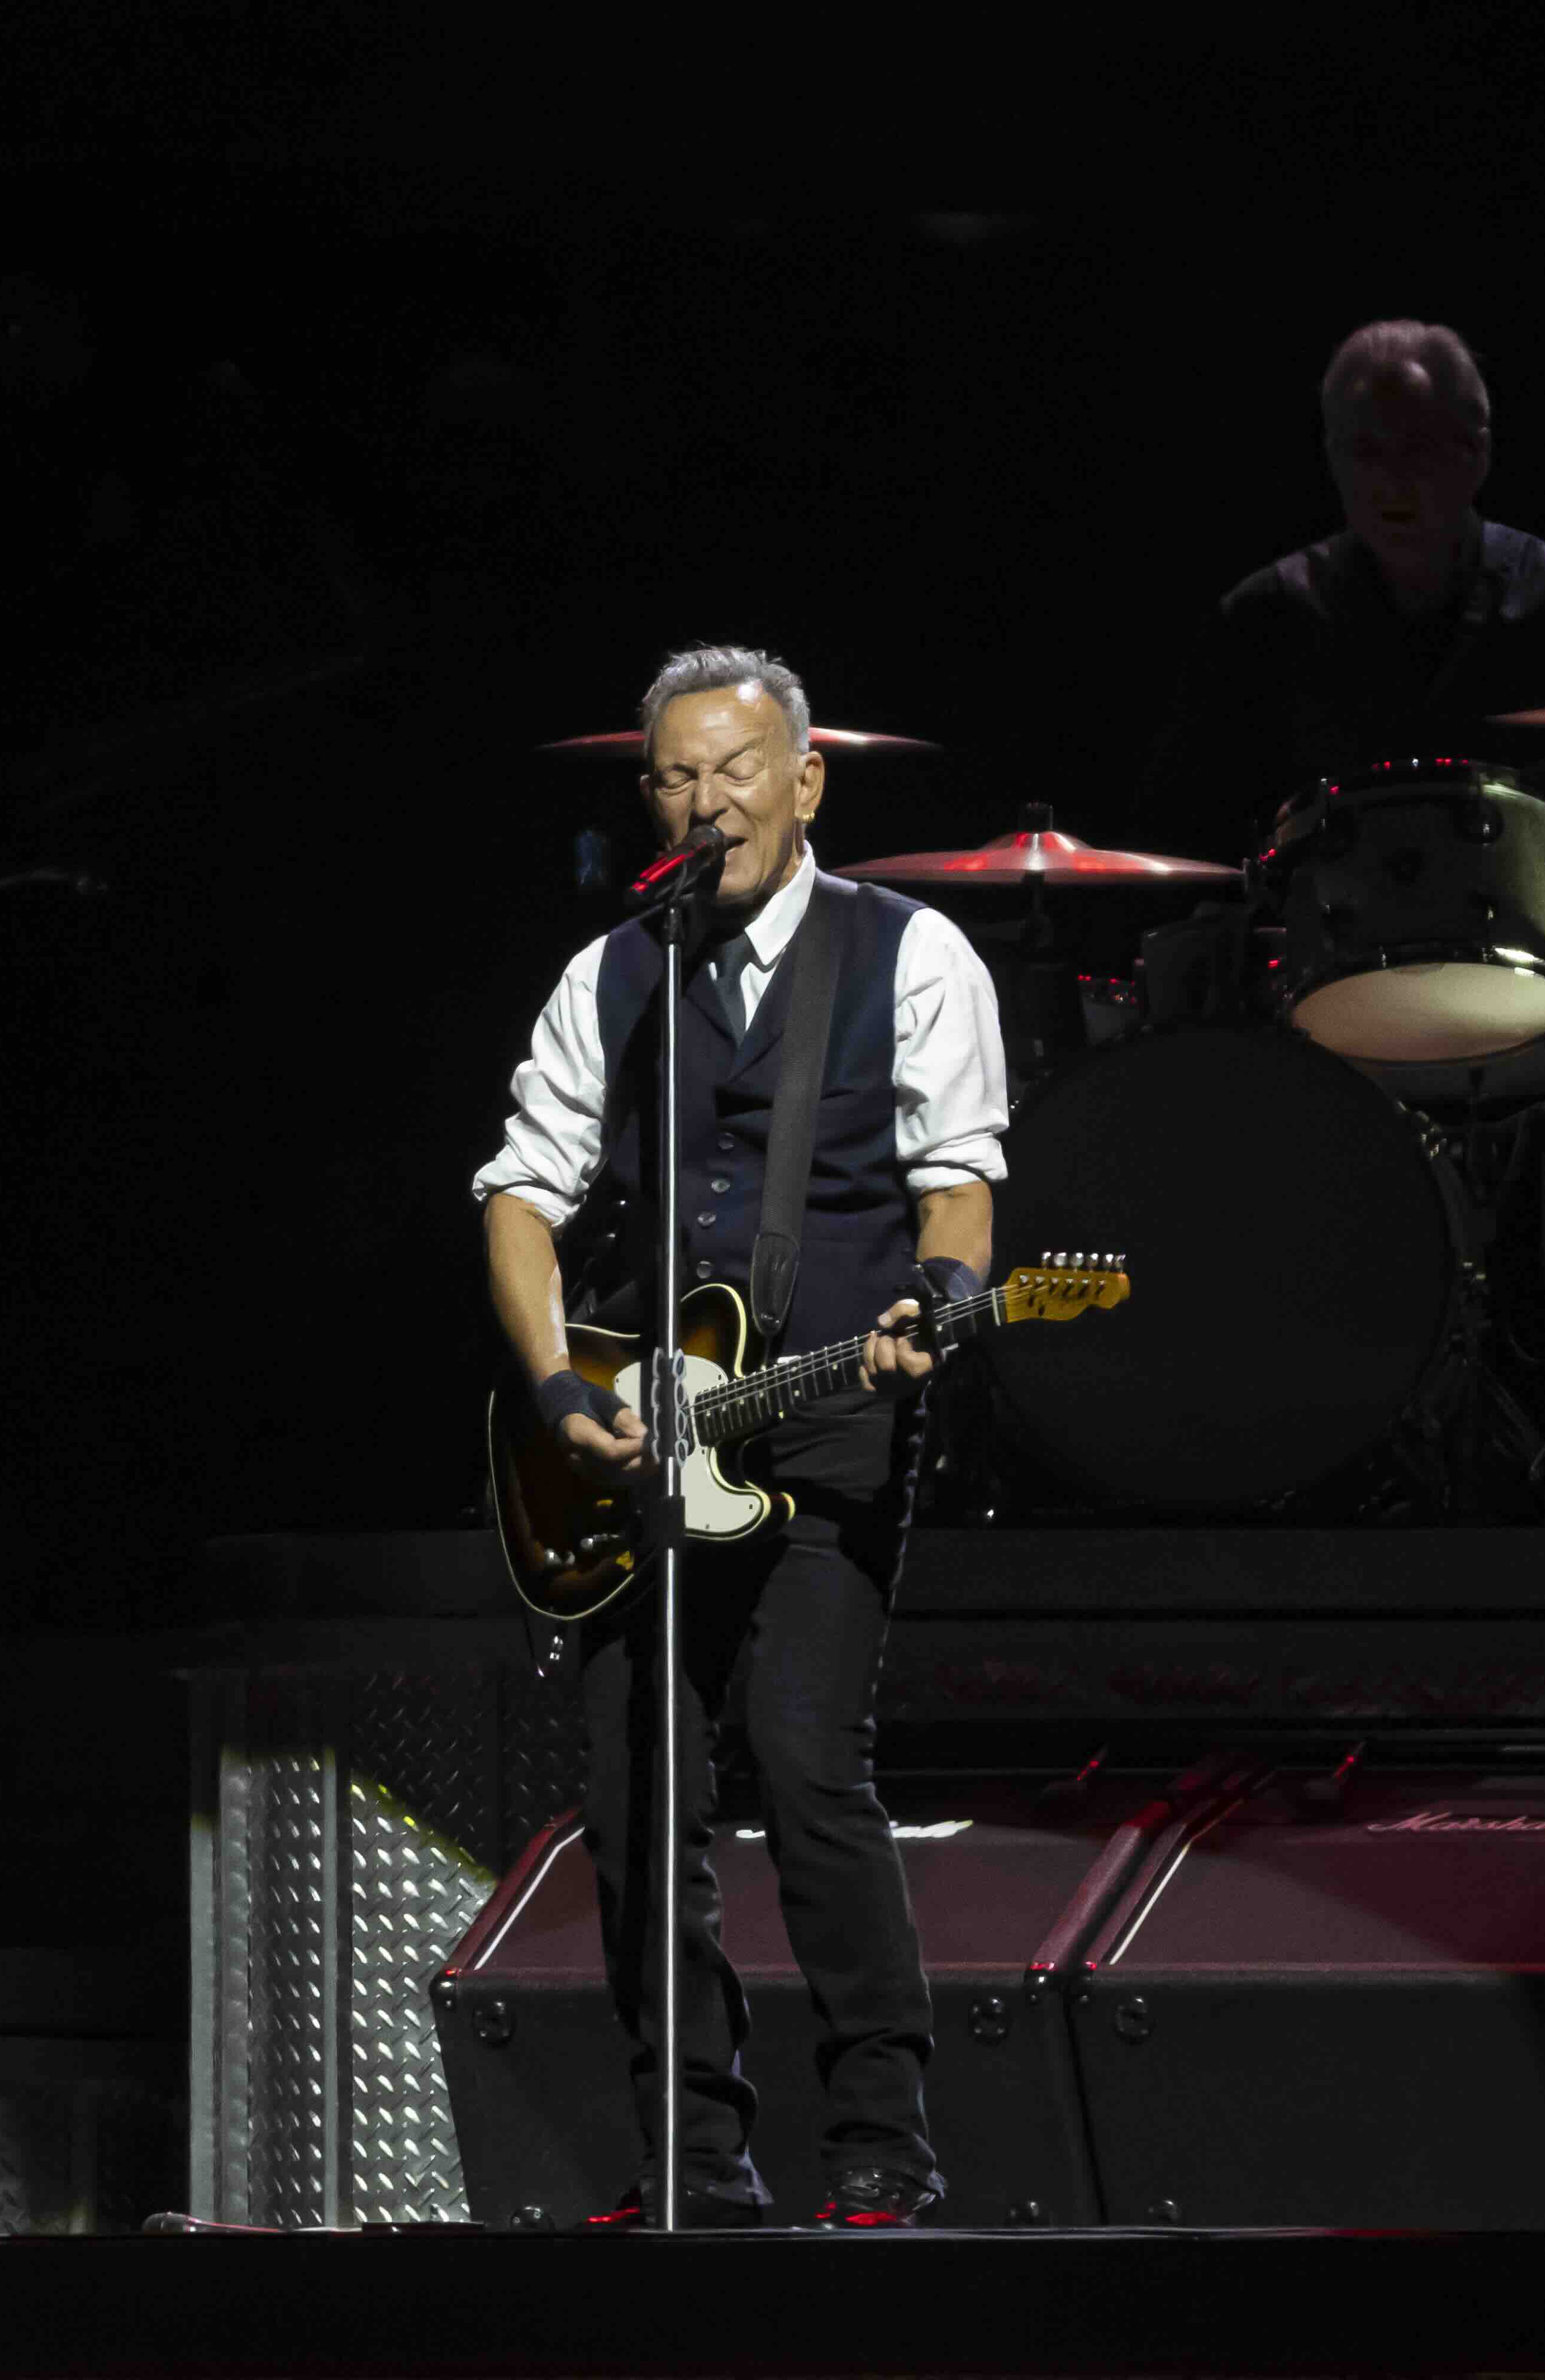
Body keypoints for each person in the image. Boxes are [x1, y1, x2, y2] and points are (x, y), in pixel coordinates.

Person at [475, 646, 1007, 2228]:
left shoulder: (910, 956)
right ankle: (694, 2162)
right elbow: (521, 1194)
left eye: (738, 771)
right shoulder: (616, 972)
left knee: (801, 1755)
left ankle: (882, 2150)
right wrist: (563, 1396)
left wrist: (945, 1299)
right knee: (639, 1797)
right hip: (646, 1441)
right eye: (679, 778)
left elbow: (961, 1183)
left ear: (806, 781)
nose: (711, 802)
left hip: (829, 1419)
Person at [1144, 319, 1545, 815]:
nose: (1390, 482)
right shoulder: (1264, 621)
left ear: (1476, 452)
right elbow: (1178, 829)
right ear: (1332, 461)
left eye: (1416, 450)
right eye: (1365, 453)